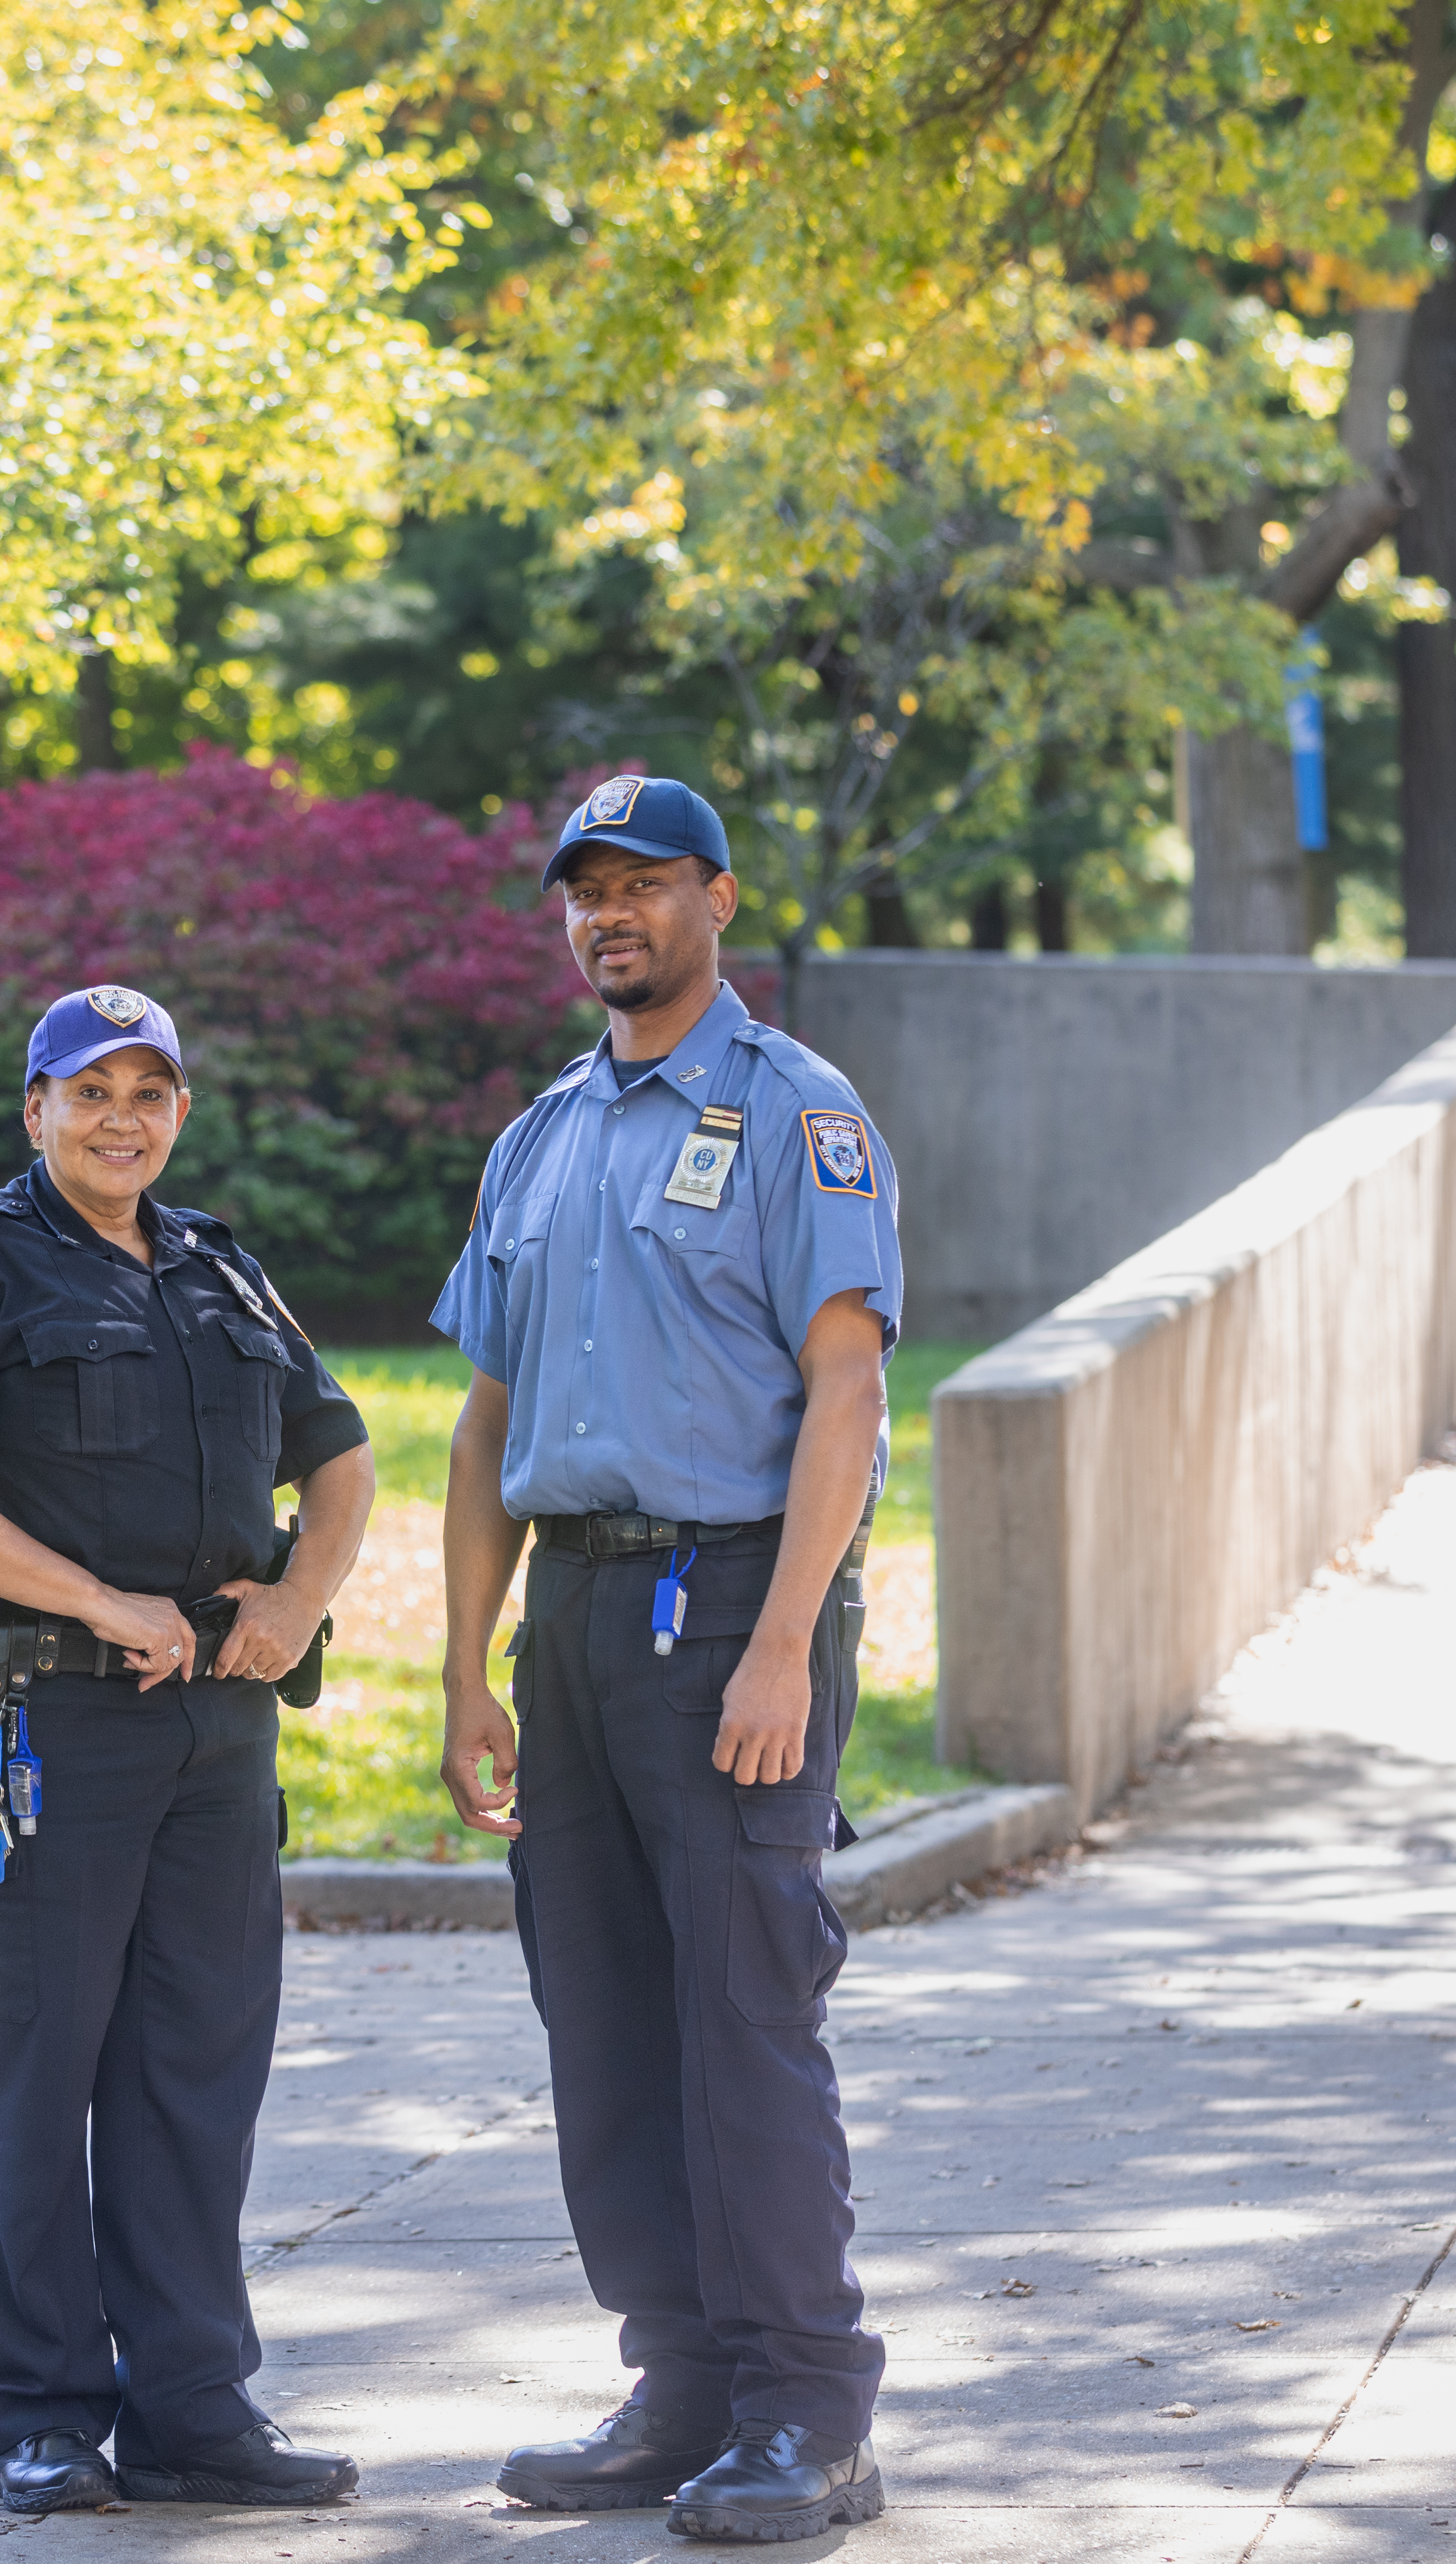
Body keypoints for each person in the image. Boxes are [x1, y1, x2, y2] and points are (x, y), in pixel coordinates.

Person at [429, 774, 900, 2545]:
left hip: (724, 1611)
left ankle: (807, 2407)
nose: (605, 916)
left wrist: (783, 1641)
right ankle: (682, 2379)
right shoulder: (540, 1132)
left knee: (742, 2013)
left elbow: (845, 1392)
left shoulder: (797, 1111)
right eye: (582, 892)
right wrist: (468, 1665)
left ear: (715, 895)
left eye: (639, 886)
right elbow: (485, 1417)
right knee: (607, 2017)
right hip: (569, 1616)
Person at [0, 986, 377, 2516]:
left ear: (179, 1113)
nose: (122, 1117)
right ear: (36, 1109)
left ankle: (195, 2409)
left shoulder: (220, 1262)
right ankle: (38, 2413)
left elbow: (336, 1452)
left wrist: (296, 1597)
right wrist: (95, 1599)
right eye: (92, 1092)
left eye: (151, 1092)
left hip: (213, 1735)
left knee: (195, 2074)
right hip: (37, 1730)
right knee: (34, 2078)